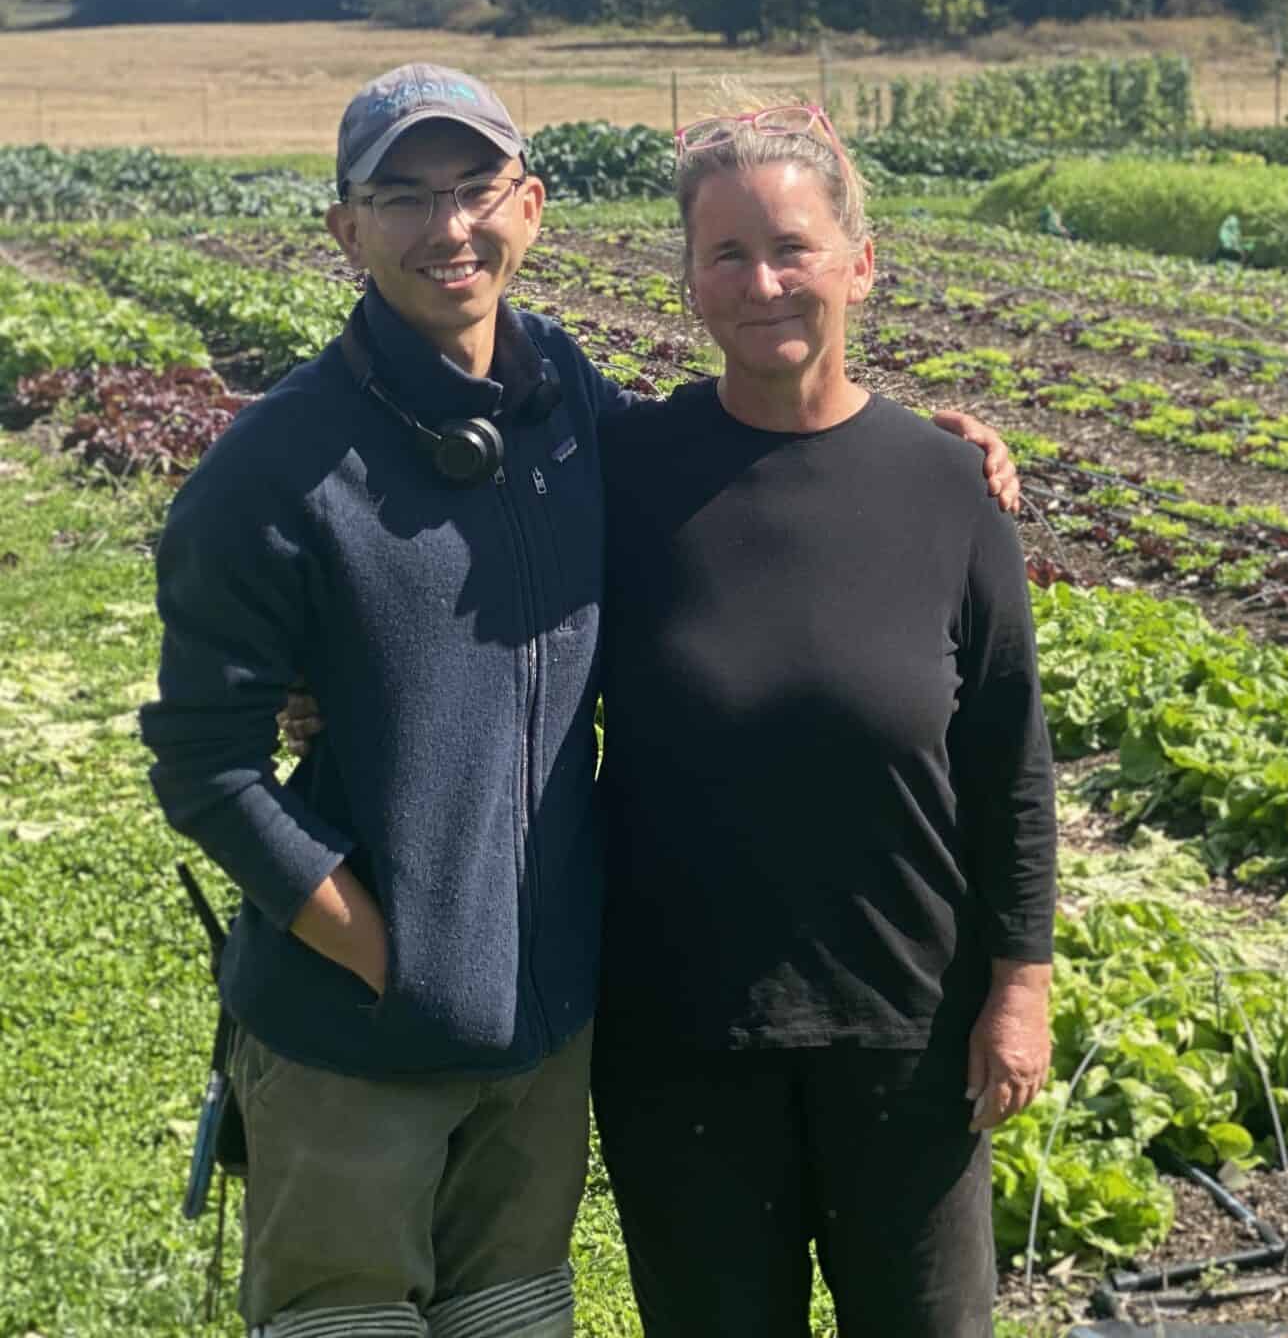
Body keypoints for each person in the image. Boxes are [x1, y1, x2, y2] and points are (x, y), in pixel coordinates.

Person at [143, 65, 1016, 1338]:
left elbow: (749, 470)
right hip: (354, 1036)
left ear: (532, 205)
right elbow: (203, 765)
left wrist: (930, 460)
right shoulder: (273, 468)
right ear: (345, 228)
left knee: (512, 1314)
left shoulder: (570, 411)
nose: (448, 228)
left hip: (545, 1032)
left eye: (475, 188)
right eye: (402, 197)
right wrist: (384, 954)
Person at [587, 103, 1055, 1338]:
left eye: (792, 247)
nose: (763, 282)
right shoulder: (622, 476)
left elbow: (1009, 756)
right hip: (679, 1030)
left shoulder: (947, 486)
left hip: (909, 1027)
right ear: (688, 280)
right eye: (726, 254)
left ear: (859, 263)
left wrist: (1021, 986)